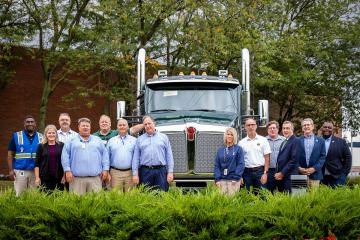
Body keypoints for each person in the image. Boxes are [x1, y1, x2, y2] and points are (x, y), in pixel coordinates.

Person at [61, 117, 110, 195]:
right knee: (77, 204)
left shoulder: (97, 140)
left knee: (96, 203)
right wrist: (67, 171)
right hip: (76, 179)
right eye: (83, 126)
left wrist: (105, 169)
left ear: (90, 128)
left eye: (87, 126)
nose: (85, 127)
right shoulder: (71, 140)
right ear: (78, 127)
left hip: (95, 179)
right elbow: (65, 157)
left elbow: (105, 156)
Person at [132, 115, 174, 191]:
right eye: (145, 124)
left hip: (161, 171)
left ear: (154, 123)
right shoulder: (139, 139)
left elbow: (169, 156)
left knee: (162, 195)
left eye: (149, 123)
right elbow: (136, 158)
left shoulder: (164, 137)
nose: (148, 126)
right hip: (145, 172)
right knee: (145, 196)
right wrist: (135, 174)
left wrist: (170, 172)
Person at [7, 115, 44, 196]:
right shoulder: (16, 136)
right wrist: (10, 170)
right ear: (24, 124)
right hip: (20, 171)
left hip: (36, 172)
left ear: (35, 124)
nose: (30, 123)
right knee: (20, 195)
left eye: (32, 122)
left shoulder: (42, 137)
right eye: (28, 122)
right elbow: (10, 154)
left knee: (34, 196)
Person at [238, 118, 271, 193]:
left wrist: (265, 173)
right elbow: (239, 161)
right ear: (245, 127)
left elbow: (267, 158)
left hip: (260, 172)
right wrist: (240, 176)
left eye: (252, 125)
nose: (250, 127)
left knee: (262, 195)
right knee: (246, 196)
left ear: (256, 126)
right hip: (246, 173)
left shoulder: (263, 140)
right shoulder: (241, 143)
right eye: (248, 125)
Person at [107, 118, 137, 192]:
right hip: (115, 173)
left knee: (130, 198)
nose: (122, 127)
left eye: (124, 125)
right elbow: (106, 158)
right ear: (117, 127)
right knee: (116, 198)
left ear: (127, 127)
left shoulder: (134, 141)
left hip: (130, 173)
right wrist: (107, 172)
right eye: (120, 125)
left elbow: (136, 158)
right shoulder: (111, 141)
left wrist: (136, 174)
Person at [214, 127, 245, 195]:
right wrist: (217, 179)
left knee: (232, 202)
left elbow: (241, 164)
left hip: (233, 180)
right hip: (222, 180)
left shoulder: (238, 149)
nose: (229, 136)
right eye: (228, 134)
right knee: (222, 202)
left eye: (232, 135)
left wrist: (236, 177)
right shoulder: (220, 150)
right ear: (225, 136)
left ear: (234, 137)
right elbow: (217, 165)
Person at [321, 121, 352, 187]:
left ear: (332, 130)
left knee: (338, 197)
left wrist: (344, 174)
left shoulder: (341, 142)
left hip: (337, 177)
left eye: (329, 127)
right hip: (320, 177)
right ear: (322, 128)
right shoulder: (317, 141)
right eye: (325, 127)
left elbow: (348, 157)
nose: (327, 129)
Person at [35, 124, 65, 191]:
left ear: (56, 134)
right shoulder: (41, 146)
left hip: (58, 177)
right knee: (45, 198)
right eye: (49, 133)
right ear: (46, 134)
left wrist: (64, 176)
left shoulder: (62, 145)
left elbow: (65, 162)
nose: (51, 135)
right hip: (44, 178)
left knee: (58, 198)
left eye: (53, 133)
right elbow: (37, 164)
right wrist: (37, 178)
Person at [298, 118, 326, 189]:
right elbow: (292, 156)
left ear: (312, 126)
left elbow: (323, 157)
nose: (306, 126)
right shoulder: (296, 140)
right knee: (298, 197)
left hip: (315, 174)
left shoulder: (321, 141)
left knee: (313, 198)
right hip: (299, 174)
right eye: (304, 125)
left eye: (308, 125)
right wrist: (298, 168)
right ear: (302, 128)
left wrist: (314, 168)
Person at [274, 121, 300, 193]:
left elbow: (294, 160)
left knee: (295, 200)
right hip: (284, 178)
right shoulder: (284, 141)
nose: (285, 130)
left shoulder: (296, 140)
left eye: (287, 128)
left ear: (292, 129)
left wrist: (282, 173)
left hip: (291, 177)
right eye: (284, 128)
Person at [265, 121, 285, 192]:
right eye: (270, 128)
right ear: (267, 130)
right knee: (269, 192)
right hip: (269, 171)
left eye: (274, 128)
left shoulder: (284, 140)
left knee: (283, 192)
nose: (272, 130)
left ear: (278, 129)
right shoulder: (263, 141)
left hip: (282, 170)